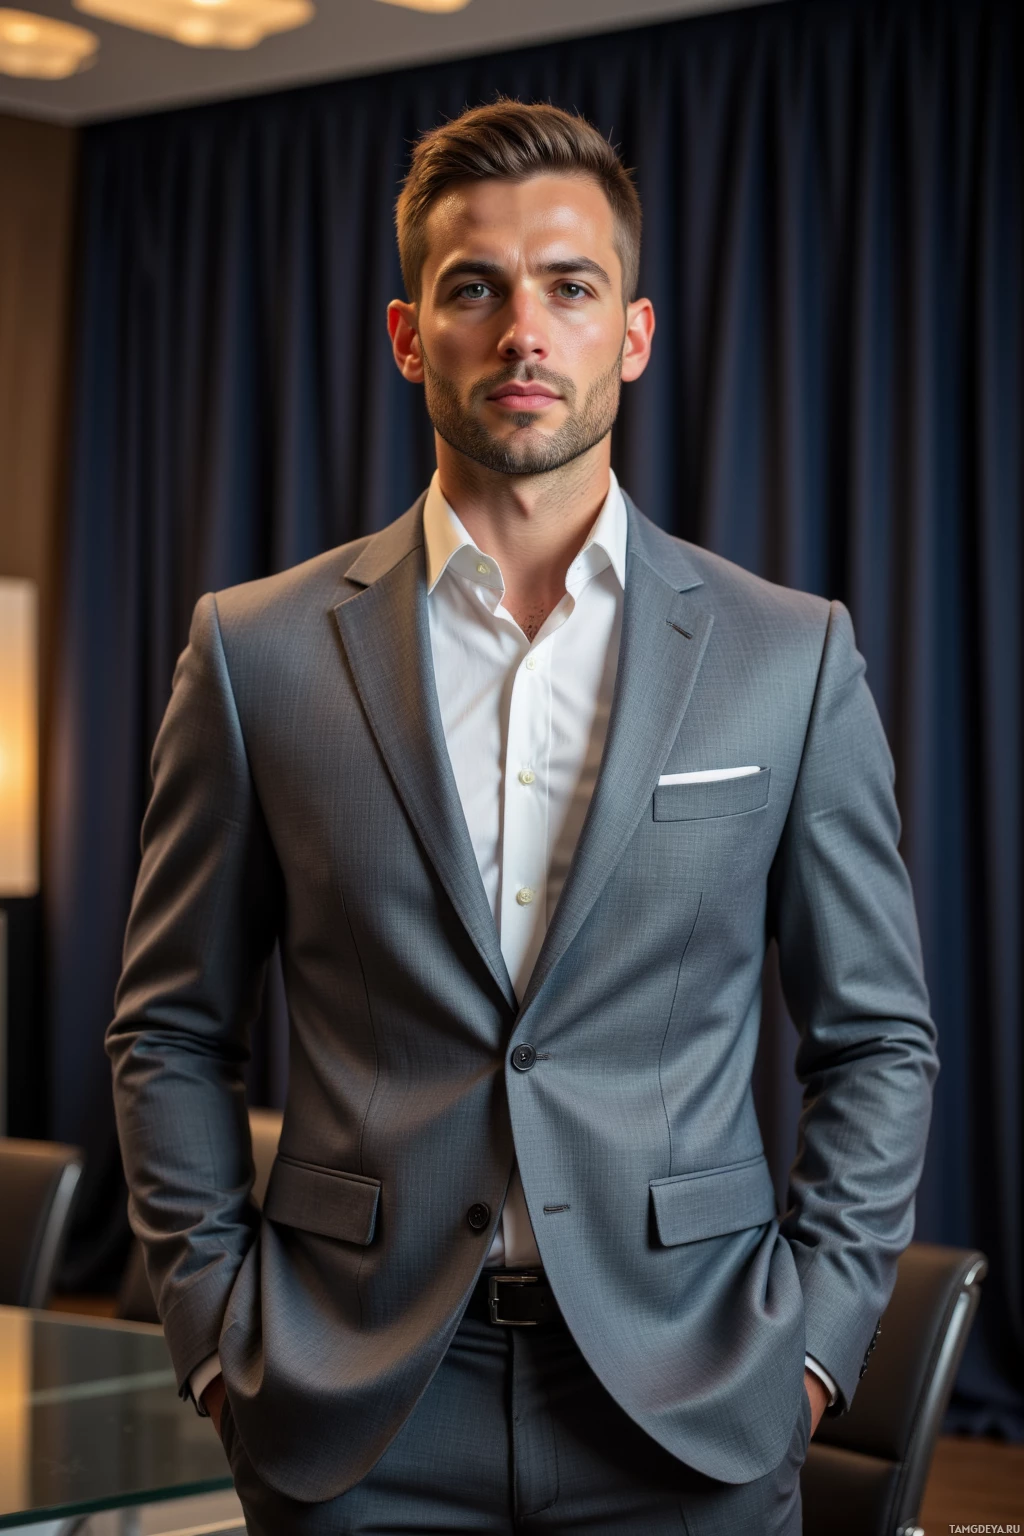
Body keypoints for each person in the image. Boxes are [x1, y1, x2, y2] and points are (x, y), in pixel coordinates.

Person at [107, 99, 939, 1534]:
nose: (523, 331)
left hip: (692, 1394)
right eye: (474, 287)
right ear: (408, 334)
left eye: (570, 286)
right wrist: (220, 1340)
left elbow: (877, 1038)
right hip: (351, 1402)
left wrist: (810, 1349)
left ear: (634, 333)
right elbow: (169, 1026)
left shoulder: (787, 655)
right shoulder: (254, 654)